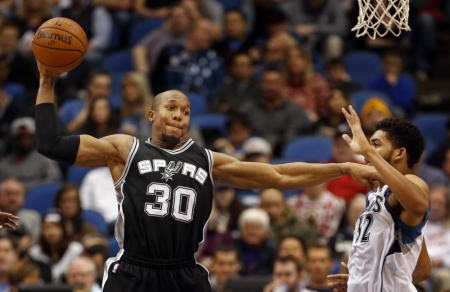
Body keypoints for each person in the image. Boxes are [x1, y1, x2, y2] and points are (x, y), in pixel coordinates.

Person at [35, 60, 380, 291]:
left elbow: (277, 175)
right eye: (171, 107)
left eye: (186, 111)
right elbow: (50, 144)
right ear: (152, 113)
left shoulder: (208, 160)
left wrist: (342, 167)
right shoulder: (125, 148)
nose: (179, 115)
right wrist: (48, 80)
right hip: (133, 271)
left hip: (185, 271)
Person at [328, 108, 432, 291]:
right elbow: (422, 270)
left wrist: (368, 151)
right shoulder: (376, 197)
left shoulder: (413, 182)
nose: (366, 153)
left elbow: (418, 205)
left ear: (399, 153)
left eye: (375, 144)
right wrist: (363, 280)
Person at [0, 117, 62, 190]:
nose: (24, 140)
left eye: (28, 136)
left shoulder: (45, 159)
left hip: (37, 197)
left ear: (35, 137)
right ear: (14, 140)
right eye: (20, 137)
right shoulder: (4, 164)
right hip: (11, 198)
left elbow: (55, 180)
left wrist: (25, 187)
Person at [28, 209, 83, 283]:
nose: (52, 232)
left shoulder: (76, 250)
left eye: (56, 227)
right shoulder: (34, 253)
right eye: (47, 227)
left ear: (64, 229)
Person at [235, 208, 278, 276]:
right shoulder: (234, 248)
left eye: (256, 228)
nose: (251, 232)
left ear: (265, 232)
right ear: (240, 231)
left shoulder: (274, 249)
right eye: (247, 228)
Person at [0, 178, 40, 244]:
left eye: (17, 194)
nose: (12, 198)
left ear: (24, 198)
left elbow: (36, 247)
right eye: (8, 194)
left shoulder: (33, 218)